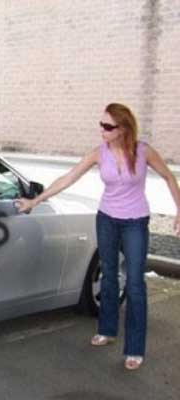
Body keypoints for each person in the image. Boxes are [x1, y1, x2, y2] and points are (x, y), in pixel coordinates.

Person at [15, 103, 180, 371]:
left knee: (135, 284)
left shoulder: (143, 151)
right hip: (107, 220)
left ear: (123, 128)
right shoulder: (99, 153)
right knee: (109, 276)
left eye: (108, 126)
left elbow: (169, 177)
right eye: (101, 124)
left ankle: (135, 348)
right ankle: (107, 329)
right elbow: (68, 178)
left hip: (135, 222)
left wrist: (179, 209)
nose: (102, 130)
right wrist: (35, 201)